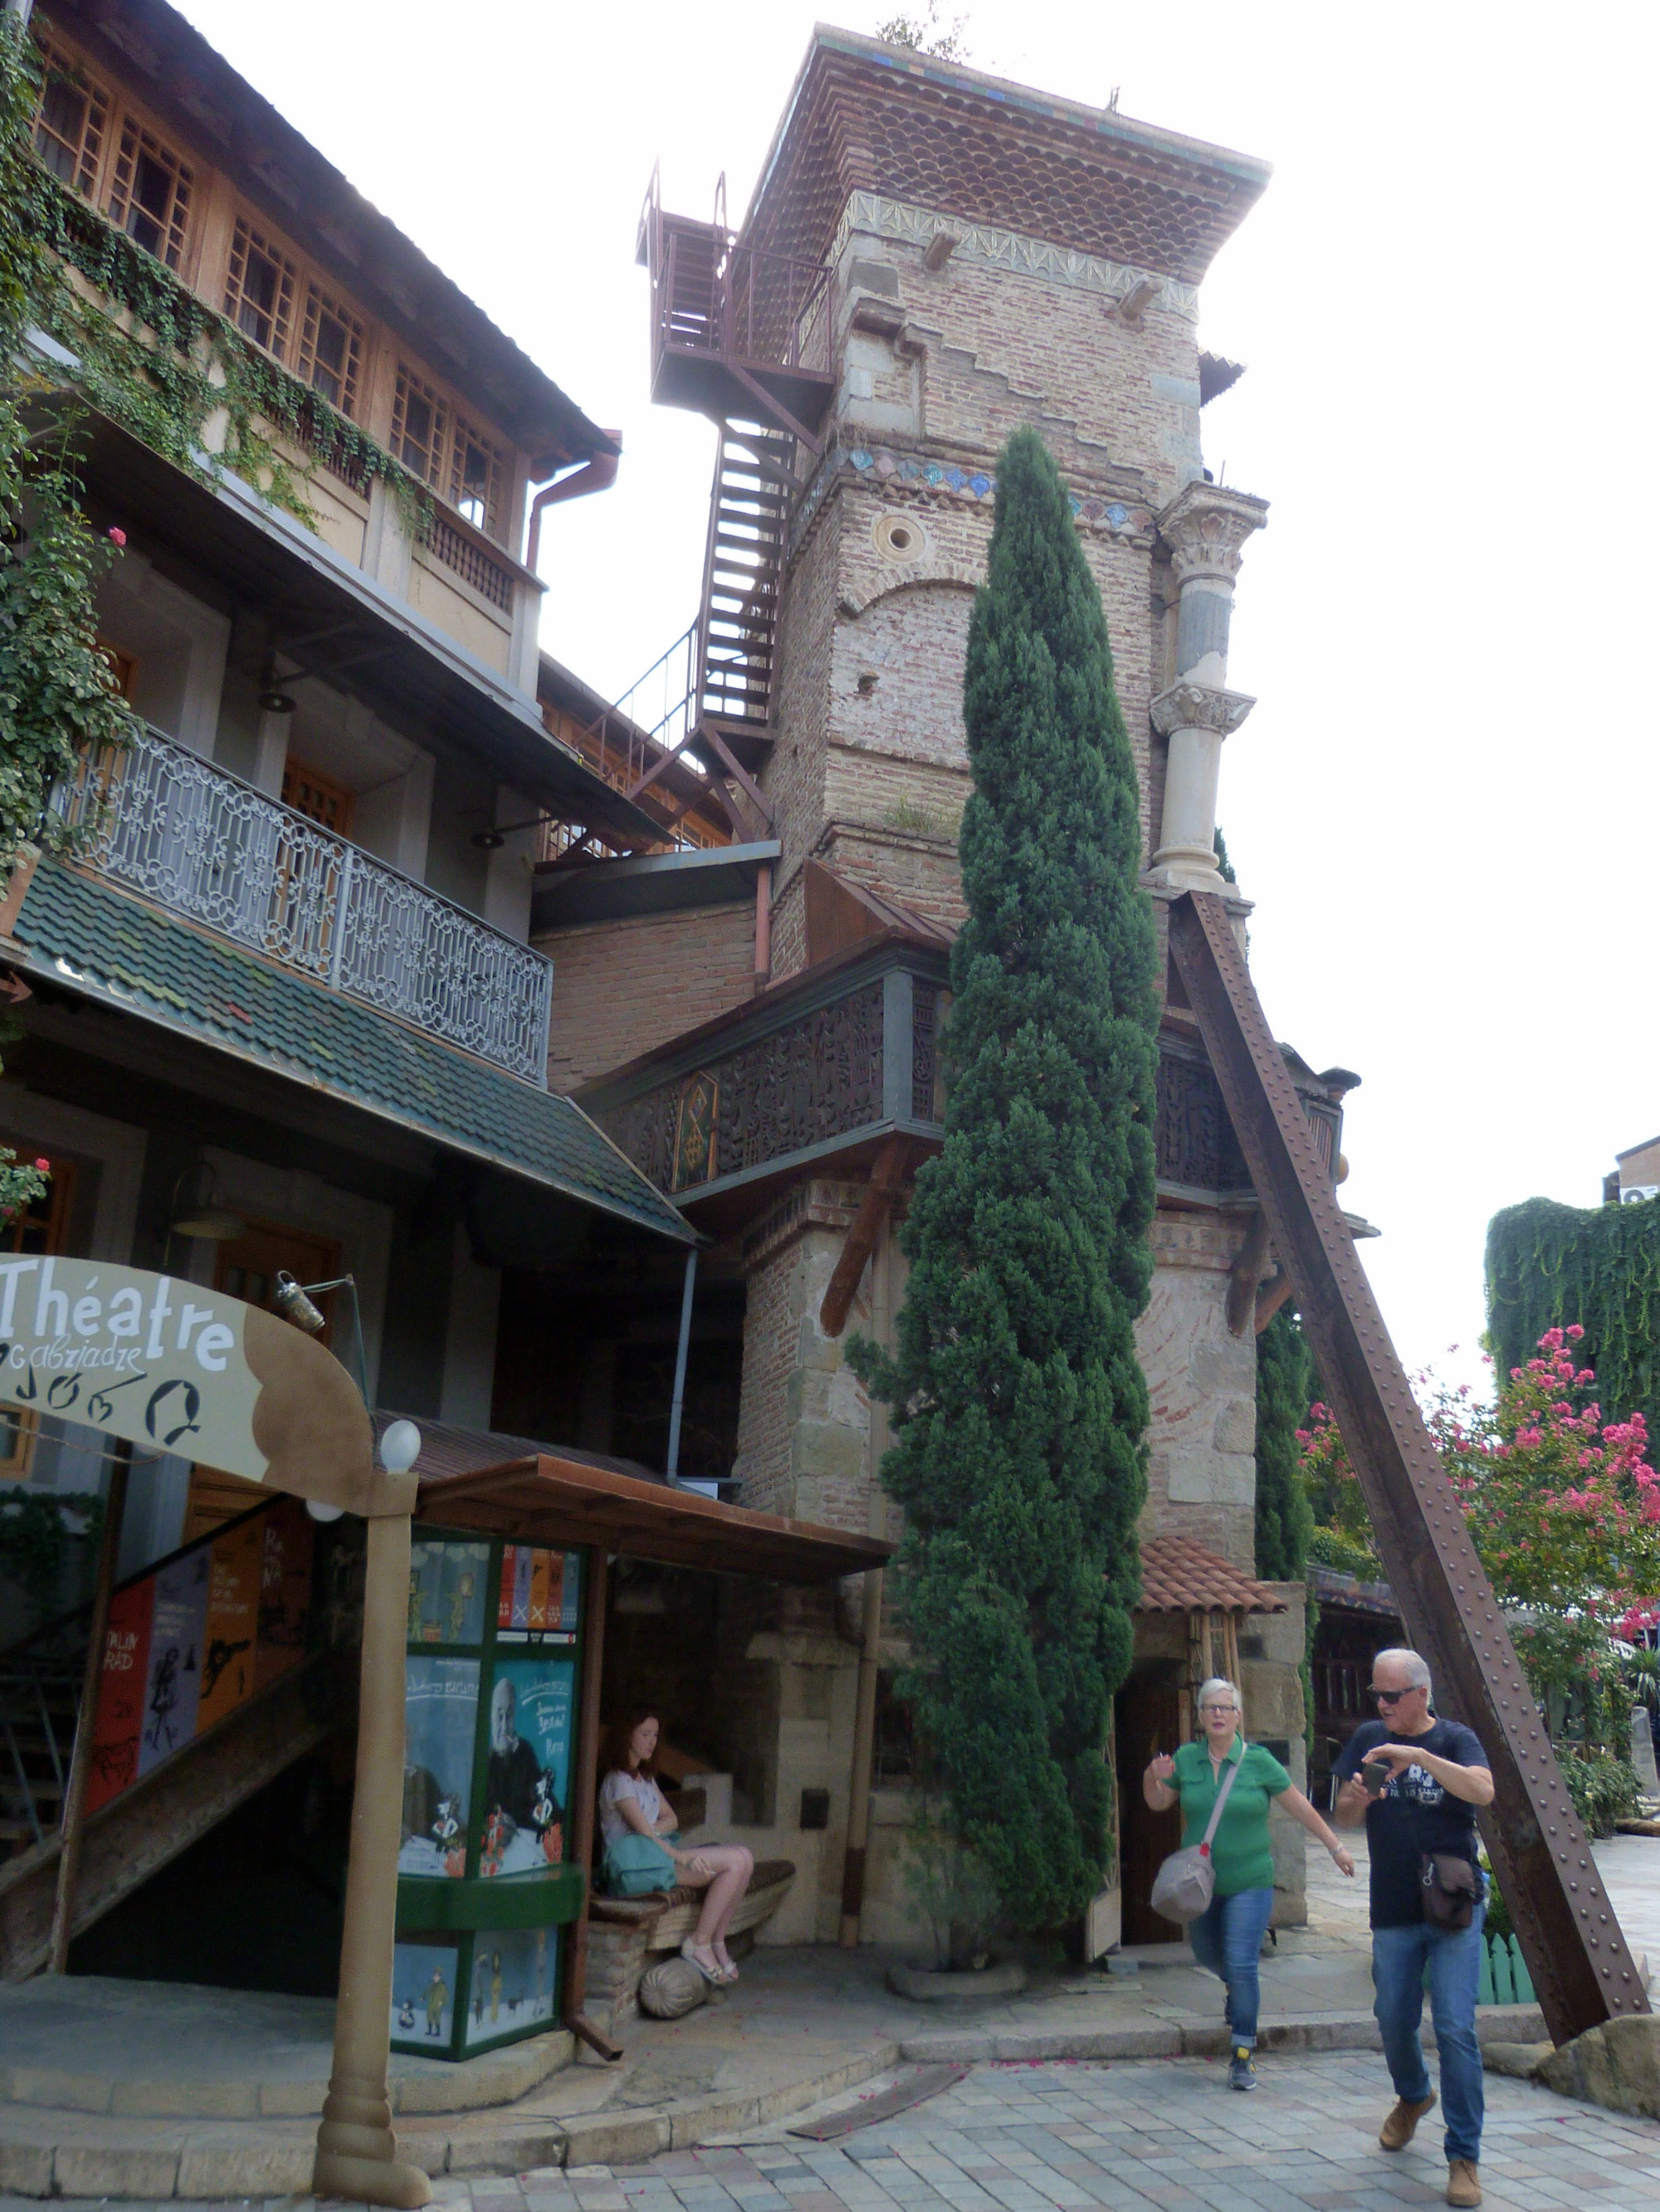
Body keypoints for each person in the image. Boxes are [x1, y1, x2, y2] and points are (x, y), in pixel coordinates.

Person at [1332, 1647, 1494, 2210]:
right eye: (1377, 1694)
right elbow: (1346, 1816)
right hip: (1395, 1905)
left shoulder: (1454, 1738)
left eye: (1392, 1694)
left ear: (1422, 1694)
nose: (1381, 1704)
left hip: (1451, 1904)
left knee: (1454, 2026)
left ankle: (1464, 2155)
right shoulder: (1369, 1740)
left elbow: (1482, 1789)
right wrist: (1357, 1798)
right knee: (1393, 2018)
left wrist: (1418, 1757)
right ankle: (1413, 2095)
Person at [1145, 1676, 1355, 2092]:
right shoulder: (1187, 1759)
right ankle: (1235, 1991)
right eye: (1211, 1708)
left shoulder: (1258, 1762)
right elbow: (1158, 1804)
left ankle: (1243, 2052)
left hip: (1251, 1881)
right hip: (1199, 1886)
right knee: (1207, 1952)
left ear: (1239, 1716)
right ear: (1202, 1716)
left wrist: (1335, 1847)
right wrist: (1153, 1777)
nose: (1218, 1714)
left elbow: (1300, 1807)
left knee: (1242, 1963)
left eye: (1226, 1707)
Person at [598, 1707, 754, 1984]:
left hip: (653, 1856)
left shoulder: (644, 1779)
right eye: (644, 1734)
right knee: (734, 1862)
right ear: (626, 1736)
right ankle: (699, 1942)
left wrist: (650, 1831)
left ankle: (717, 1939)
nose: (651, 1742)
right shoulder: (618, 1781)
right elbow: (644, 1835)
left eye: (655, 1735)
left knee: (746, 1857)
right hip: (632, 1868)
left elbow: (670, 1819)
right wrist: (682, 1858)